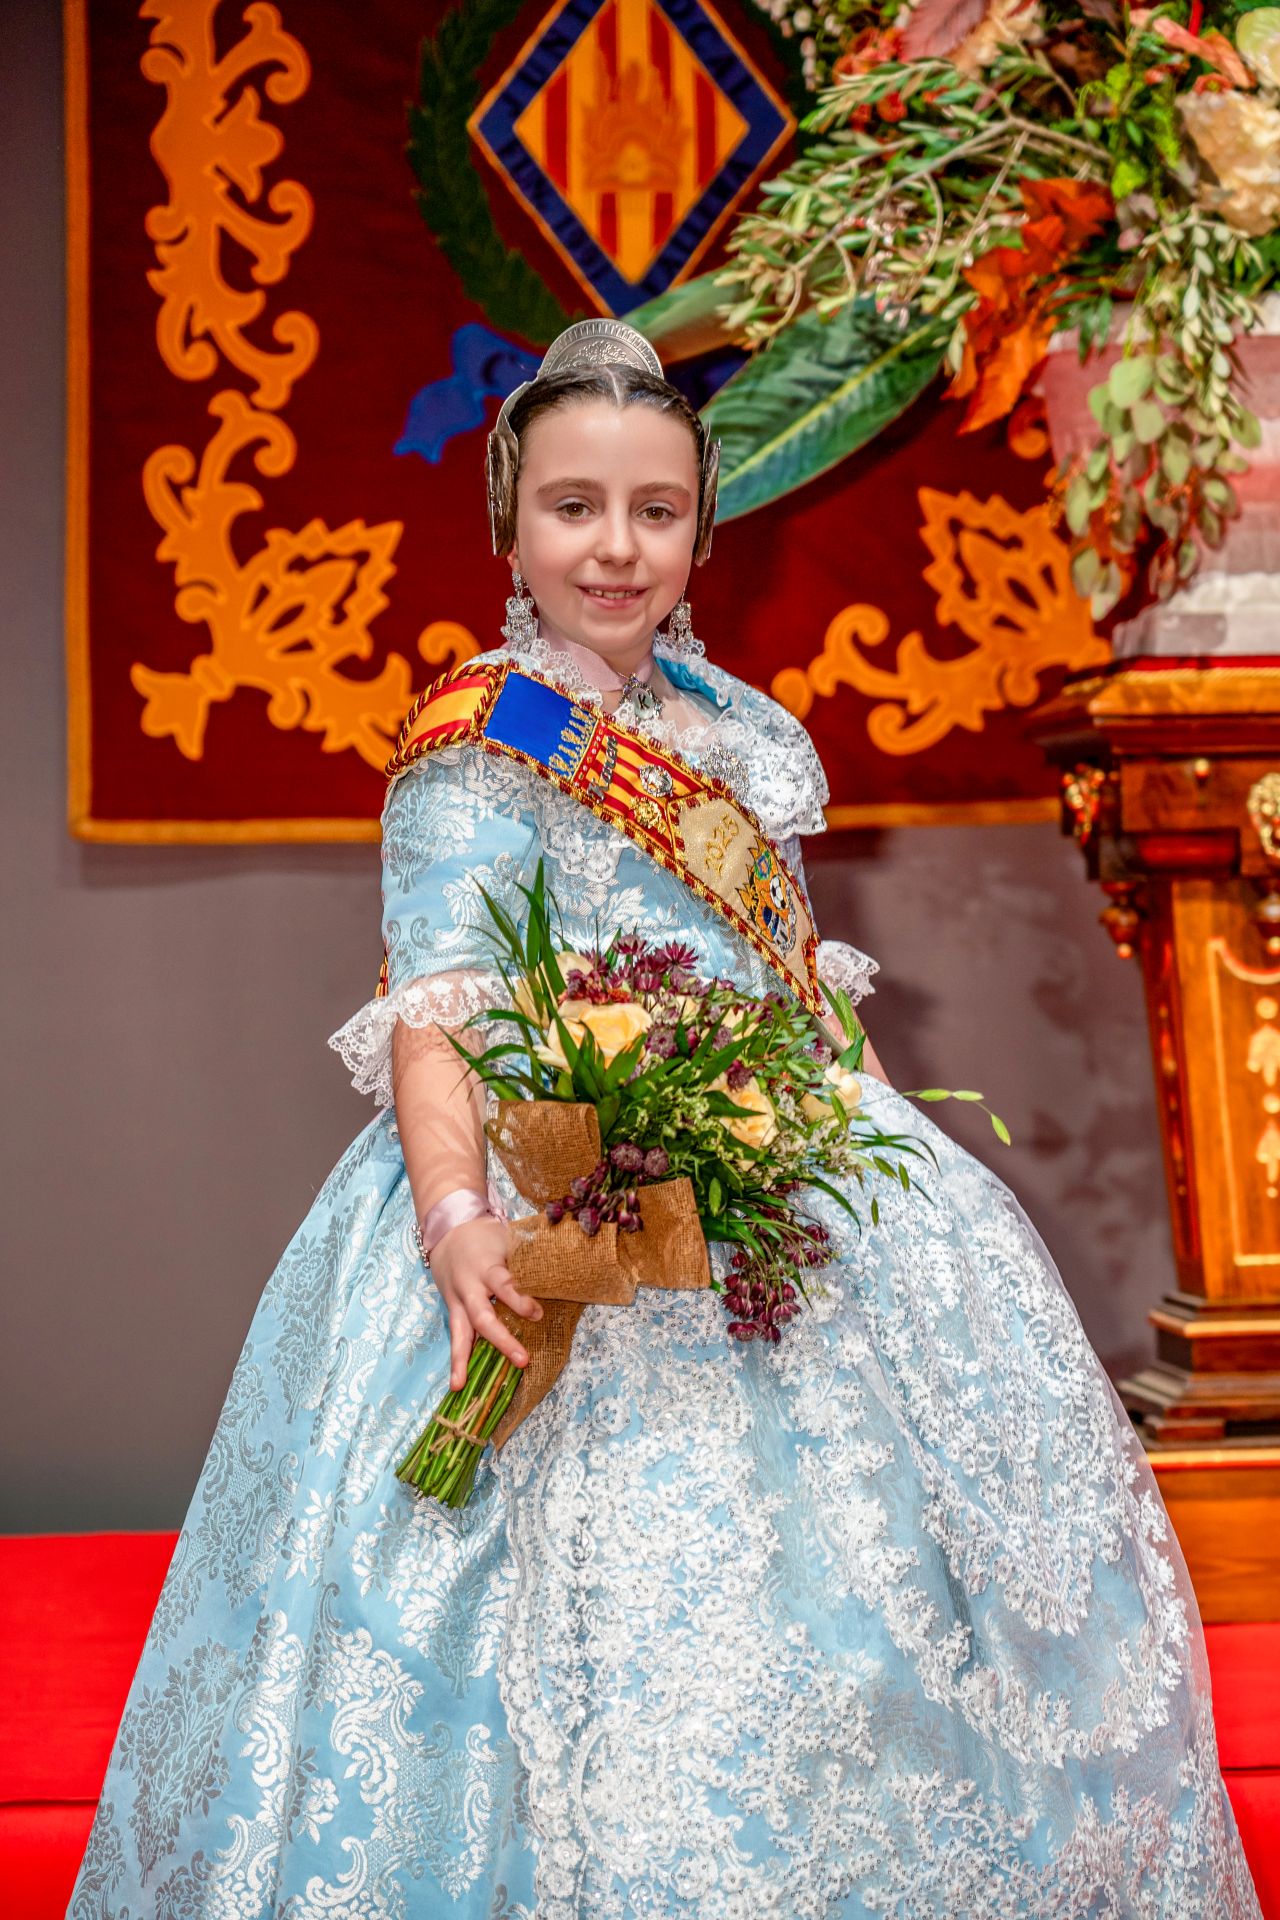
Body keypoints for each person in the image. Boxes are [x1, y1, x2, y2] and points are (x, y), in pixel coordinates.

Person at [70, 319, 1260, 1919]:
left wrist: (880, 1163)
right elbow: (437, 1019)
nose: (615, 548)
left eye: (655, 511)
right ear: (507, 525)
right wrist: (454, 1221)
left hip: (767, 1199)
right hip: (543, 1206)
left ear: (704, 532)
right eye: (574, 508)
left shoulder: (751, 736)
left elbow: (802, 987)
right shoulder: (471, 746)